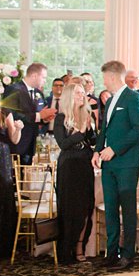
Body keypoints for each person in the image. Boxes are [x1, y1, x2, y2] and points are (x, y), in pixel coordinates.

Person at [95, 61, 139, 271]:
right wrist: (97, 151)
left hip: (126, 162)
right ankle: (112, 252)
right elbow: (104, 129)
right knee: (110, 211)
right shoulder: (109, 101)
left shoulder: (133, 98)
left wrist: (114, 149)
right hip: (108, 164)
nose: (104, 81)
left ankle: (127, 255)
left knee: (128, 209)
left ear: (114, 77)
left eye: (105, 77)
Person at [53, 80, 97, 262]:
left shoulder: (87, 115)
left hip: (85, 165)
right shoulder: (60, 118)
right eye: (78, 93)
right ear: (70, 96)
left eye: (83, 92)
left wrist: (91, 130)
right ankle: (66, 250)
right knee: (71, 210)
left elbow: (93, 141)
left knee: (85, 208)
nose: (82, 96)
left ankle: (80, 247)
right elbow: (63, 144)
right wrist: (80, 131)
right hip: (69, 167)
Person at [0, 80, 23, 258]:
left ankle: (0, 247)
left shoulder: (5, 112)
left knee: (0, 197)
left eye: (0, 94)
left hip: (1, 158)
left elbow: (14, 139)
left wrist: (18, 129)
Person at [3, 62, 57, 162]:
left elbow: (38, 115)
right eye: (43, 77)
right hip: (17, 142)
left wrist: (44, 119)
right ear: (34, 75)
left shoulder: (38, 93)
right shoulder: (14, 89)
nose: (45, 81)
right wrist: (38, 116)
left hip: (31, 143)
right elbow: (10, 114)